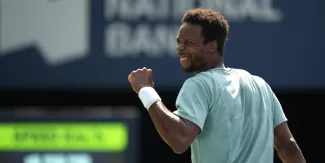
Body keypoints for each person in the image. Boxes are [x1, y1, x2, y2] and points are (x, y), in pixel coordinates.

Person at [128, 8, 306, 163]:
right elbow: (288, 147)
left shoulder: (198, 85)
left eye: (188, 43)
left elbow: (179, 140)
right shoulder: (260, 85)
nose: (180, 48)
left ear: (212, 46)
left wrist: (146, 91)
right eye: (179, 42)